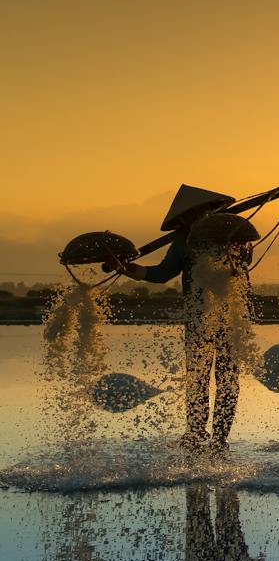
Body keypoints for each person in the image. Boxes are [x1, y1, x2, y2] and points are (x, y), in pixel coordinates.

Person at [110, 186, 256, 450]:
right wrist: (128, 269)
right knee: (197, 377)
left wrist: (238, 249)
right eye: (197, 213)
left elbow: (243, 265)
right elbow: (161, 274)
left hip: (231, 319)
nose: (204, 216)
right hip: (198, 318)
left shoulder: (231, 235)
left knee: (228, 379)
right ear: (186, 219)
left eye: (209, 211)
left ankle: (220, 439)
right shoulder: (182, 242)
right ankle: (196, 433)